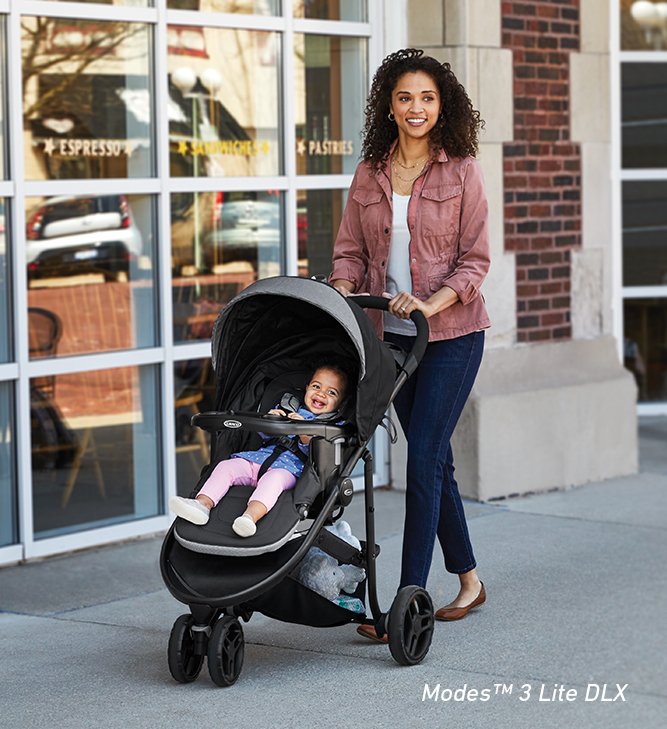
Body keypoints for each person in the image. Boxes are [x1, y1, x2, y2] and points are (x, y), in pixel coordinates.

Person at [330, 48, 490, 641]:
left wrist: (429, 303)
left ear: (440, 104)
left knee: (422, 458)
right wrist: (342, 289)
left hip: (450, 335)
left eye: (426, 97)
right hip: (390, 340)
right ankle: (469, 580)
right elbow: (349, 249)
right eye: (405, 98)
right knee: (435, 463)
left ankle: (406, 599)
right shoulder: (370, 170)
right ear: (389, 107)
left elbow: (475, 261)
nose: (416, 108)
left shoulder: (462, 170)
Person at [169, 364, 348, 537]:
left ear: (340, 403)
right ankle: (202, 505)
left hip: (288, 469)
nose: (321, 393)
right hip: (258, 458)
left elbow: (319, 454)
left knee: (273, 481)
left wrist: (304, 432)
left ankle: (249, 518)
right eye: (316, 386)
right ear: (307, 387)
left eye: (331, 392)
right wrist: (271, 420)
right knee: (226, 467)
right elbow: (264, 435)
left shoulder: (331, 425)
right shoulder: (288, 406)